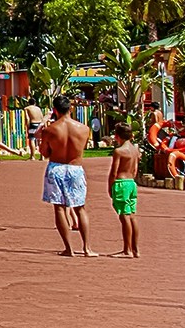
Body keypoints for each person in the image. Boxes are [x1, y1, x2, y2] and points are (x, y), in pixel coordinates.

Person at [38, 96, 96, 257]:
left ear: (54, 110)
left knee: (59, 208)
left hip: (56, 167)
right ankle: (87, 248)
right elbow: (81, 148)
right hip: (75, 168)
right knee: (80, 208)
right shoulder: (83, 129)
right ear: (70, 108)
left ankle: (69, 248)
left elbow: (44, 152)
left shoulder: (50, 130)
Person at [108, 124, 140, 258]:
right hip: (131, 183)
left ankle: (127, 250)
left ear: (117, 136)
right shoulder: (135, 150)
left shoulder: (119, 151)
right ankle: (135, 249)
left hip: (121, 182)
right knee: (132, 215)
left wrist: (110, 186)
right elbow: (135, 170)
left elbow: (114, 172)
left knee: (124, 216)